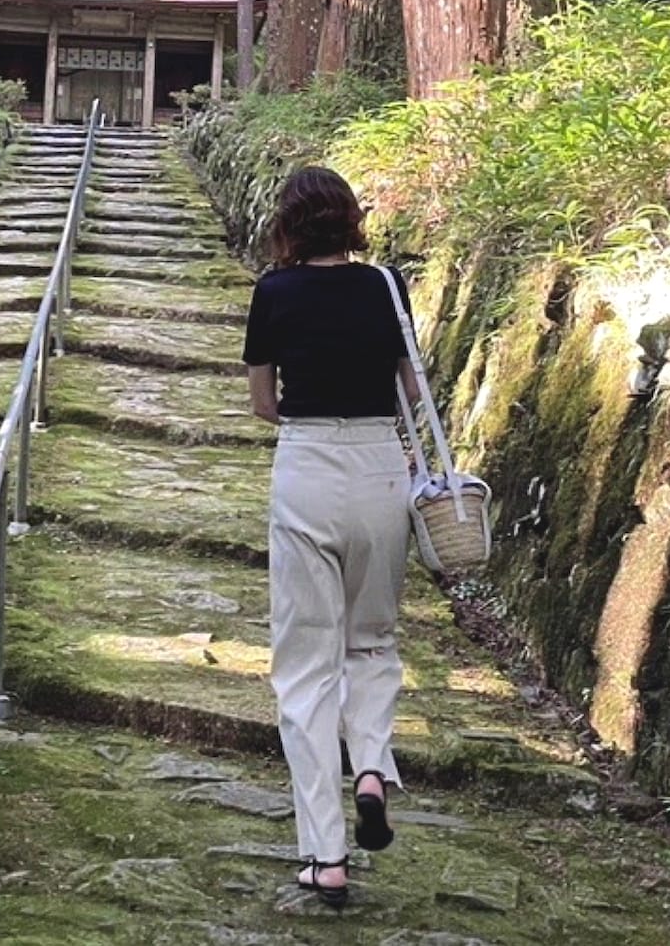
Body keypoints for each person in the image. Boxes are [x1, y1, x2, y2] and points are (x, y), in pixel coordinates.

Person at [241, 165, 419, 908]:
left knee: (307, 666)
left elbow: (262, 403)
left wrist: (311, 419)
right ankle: (371, 765)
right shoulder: (386, 285)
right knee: (371, 640)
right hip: (381, 466)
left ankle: (326, 854)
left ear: (287, 222)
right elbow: (414, 391)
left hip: (308, 465)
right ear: (350, 219)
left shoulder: (273, 292)